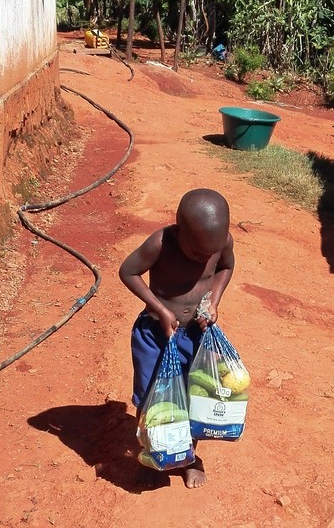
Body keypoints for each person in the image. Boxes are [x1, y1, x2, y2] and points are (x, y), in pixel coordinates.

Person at [118, 188, 235, 489]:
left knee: (195, 395)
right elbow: (128, 272)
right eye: (197, 252)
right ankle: (153, 455)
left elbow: (226, 267)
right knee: (151, 398)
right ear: (179, 231)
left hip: (195, 335)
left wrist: (214, 300)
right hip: (155, 335)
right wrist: (158, 308)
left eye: (211, 251)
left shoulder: (220, 246)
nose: (204, 257)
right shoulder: (160, 244)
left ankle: (190, 457)